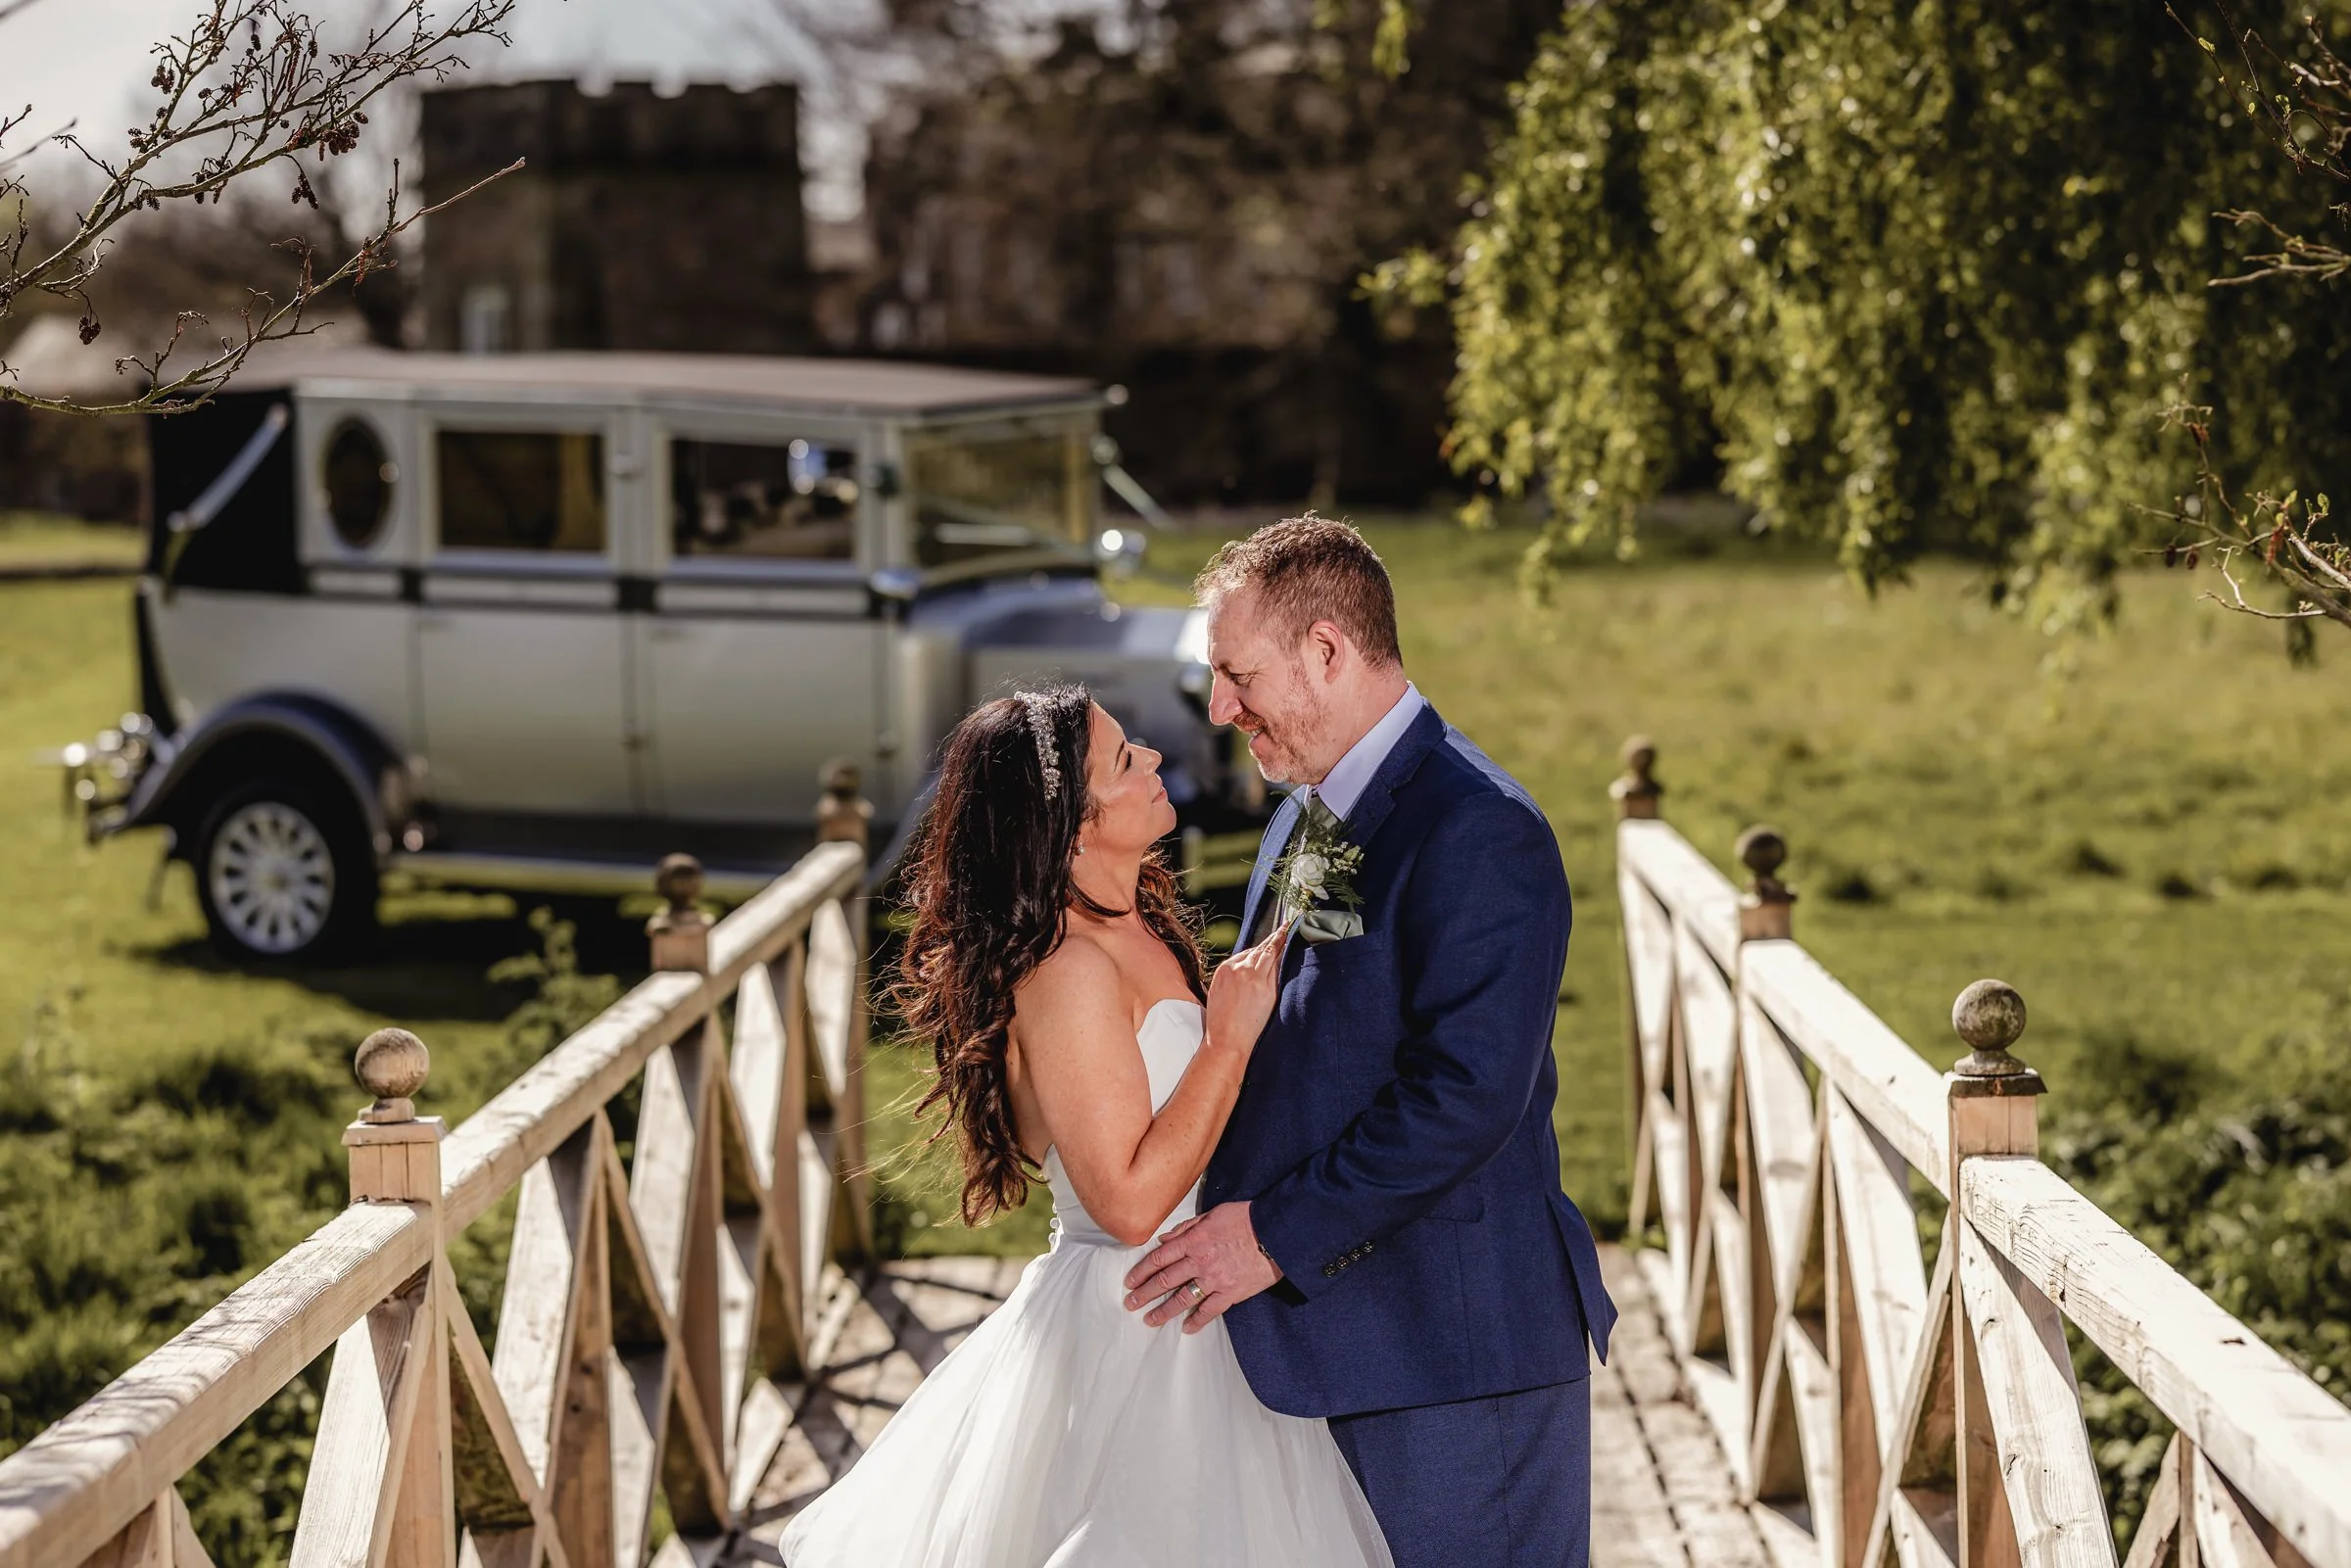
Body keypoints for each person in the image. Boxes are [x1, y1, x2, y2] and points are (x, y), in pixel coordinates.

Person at [781, 684, 1393, 1567]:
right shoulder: (1067, 968)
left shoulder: (1137, 919)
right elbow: (1128, 1201)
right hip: (1139, 1331)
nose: (1151, 758)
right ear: (1069, 824)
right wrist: (1226, 1043)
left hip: (1204, 1306)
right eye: (1122, 758)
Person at [1119, 515, 1618, 1568]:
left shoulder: (1480, 827)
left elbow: (1465, 1096)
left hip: (1452, 1355)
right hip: (1339, 1343)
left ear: (1329, 650)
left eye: (1238, 672)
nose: (1219, 707)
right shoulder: (1308, 808)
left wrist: (1269, 1234)